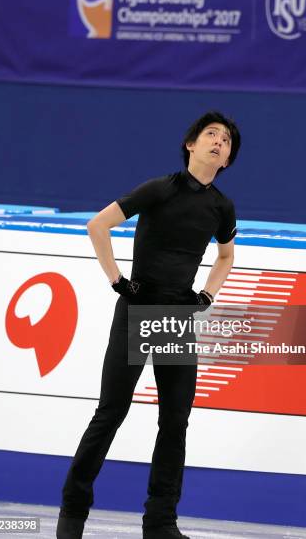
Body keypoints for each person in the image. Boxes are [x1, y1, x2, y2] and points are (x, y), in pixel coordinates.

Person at [56, 111, 241, 539]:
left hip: (178, 318)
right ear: (190, 144)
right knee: (111, 413)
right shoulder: (161, 189)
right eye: (210, 134)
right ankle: (72, 514)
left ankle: (160, 522)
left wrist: (208, 296)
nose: (218, 141)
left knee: (175, 421)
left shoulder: (222, 207)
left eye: (226, 140)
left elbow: (227, 256)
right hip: (139, 308)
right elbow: (98, 225)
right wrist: (118, 281)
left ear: (227, 160)